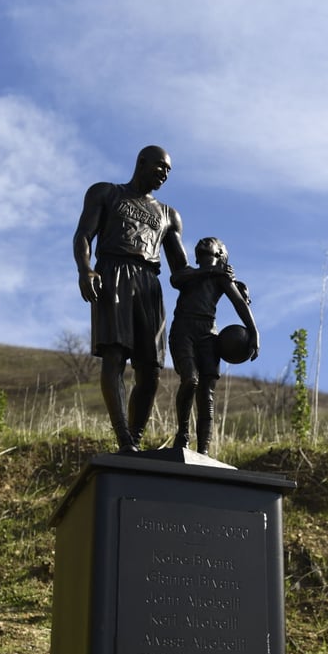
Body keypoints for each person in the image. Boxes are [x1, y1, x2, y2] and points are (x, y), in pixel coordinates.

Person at [73, 146, 188, 452]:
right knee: (115, 355)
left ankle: (134, 439)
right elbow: (84, 235)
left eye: (168, 171)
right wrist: (86, 270)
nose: (163, 174)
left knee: (150, 369)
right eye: (159, 167)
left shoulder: (168, 216)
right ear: (141, 163)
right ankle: (123, 437)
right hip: (114, 273)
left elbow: (180, 270)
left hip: (150, 283)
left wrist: (216, 276)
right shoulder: (106, 193)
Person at [168, 237, 259, 455]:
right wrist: (211, 271)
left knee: (206, 394)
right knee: (190, 380)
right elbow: (176, 279)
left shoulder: (222, 279)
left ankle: (204, 450)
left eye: (213, 243)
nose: (206, 241)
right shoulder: (189, 274)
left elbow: (239, 303)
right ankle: (182, 435)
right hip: (184, 330)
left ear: (220, 254)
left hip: (208, 335)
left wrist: (254, 331)